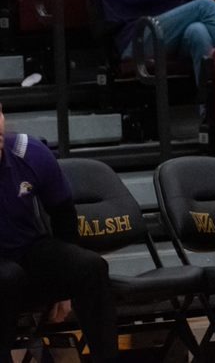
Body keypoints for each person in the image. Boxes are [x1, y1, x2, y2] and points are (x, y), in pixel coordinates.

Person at [0, 103, 118, 361]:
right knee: (8, 277)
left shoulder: (29, 151)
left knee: (90, 266)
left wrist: (65, 291)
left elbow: (63, 213)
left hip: (26, 250)